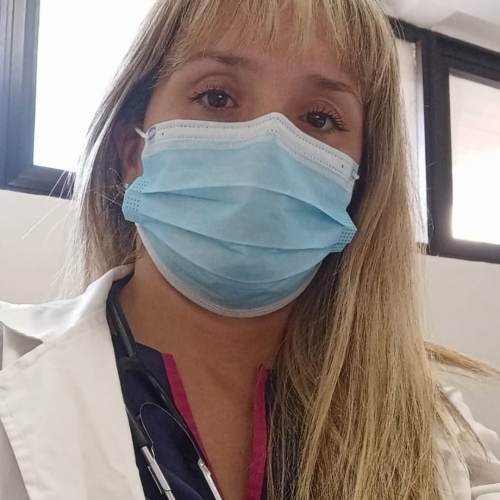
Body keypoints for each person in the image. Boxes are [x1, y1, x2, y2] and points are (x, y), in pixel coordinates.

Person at [1, 0, 499, 499]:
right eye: (217, 97)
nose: (269, 147)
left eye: (320, 118)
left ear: (360, 183)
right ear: (133, 154)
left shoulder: (449, 447)